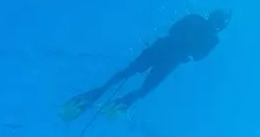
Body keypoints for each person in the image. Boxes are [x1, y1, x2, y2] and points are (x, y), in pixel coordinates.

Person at [61, 10, 232, 120]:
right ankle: (124, 102)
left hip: (161, 46)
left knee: (128, 71)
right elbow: (198, 57)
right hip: (173, 59)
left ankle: (96, 94)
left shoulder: (194, 17)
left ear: (211, 14)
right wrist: (187, 53)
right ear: (221, 27)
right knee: (147, 87)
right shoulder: (213, 40)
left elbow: (172, 29)